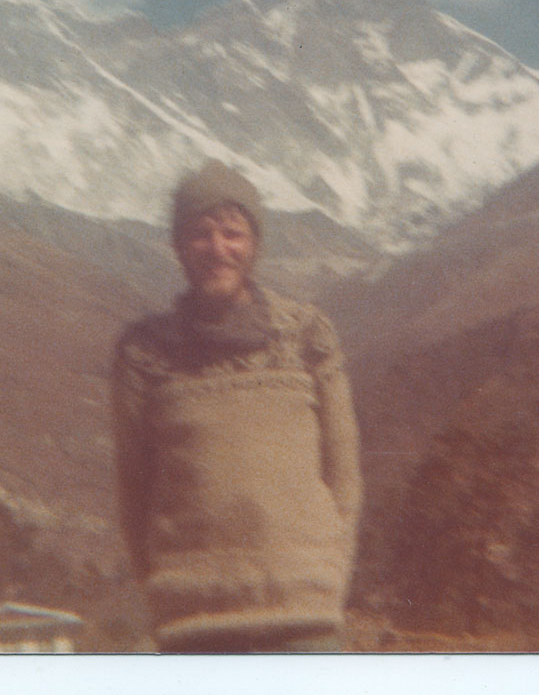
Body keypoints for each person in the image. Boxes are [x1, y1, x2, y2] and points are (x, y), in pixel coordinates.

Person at [110, 160, 362, 653]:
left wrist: (329, 575)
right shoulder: (143, 353)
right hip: (195, 627)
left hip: (304, 622)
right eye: (200, 234)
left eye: (233, 233)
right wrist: (163, 593)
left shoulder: (309, 336)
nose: (217, 249)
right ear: (179, 246)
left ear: (255, 244)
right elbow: (133, 491)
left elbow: (345, 478)